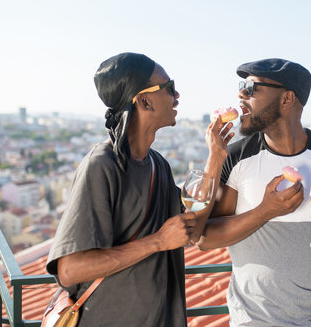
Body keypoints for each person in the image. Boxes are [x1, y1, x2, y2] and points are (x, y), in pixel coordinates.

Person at [46, 52, 232, 326]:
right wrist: (157, 241)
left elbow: (192, 229)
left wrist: (216, 158)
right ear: (144, 100)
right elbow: (70, 270)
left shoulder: (159, 165)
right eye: (169, 87)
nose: (177, 95)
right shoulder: (101, 165)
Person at [197, 58, 311, 327]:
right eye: (242, 87)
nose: (241, 94)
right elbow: (206, 238)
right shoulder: (237, 156)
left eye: (252, 89)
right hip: (253, 321)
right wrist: (265, 212)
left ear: (287, 99)